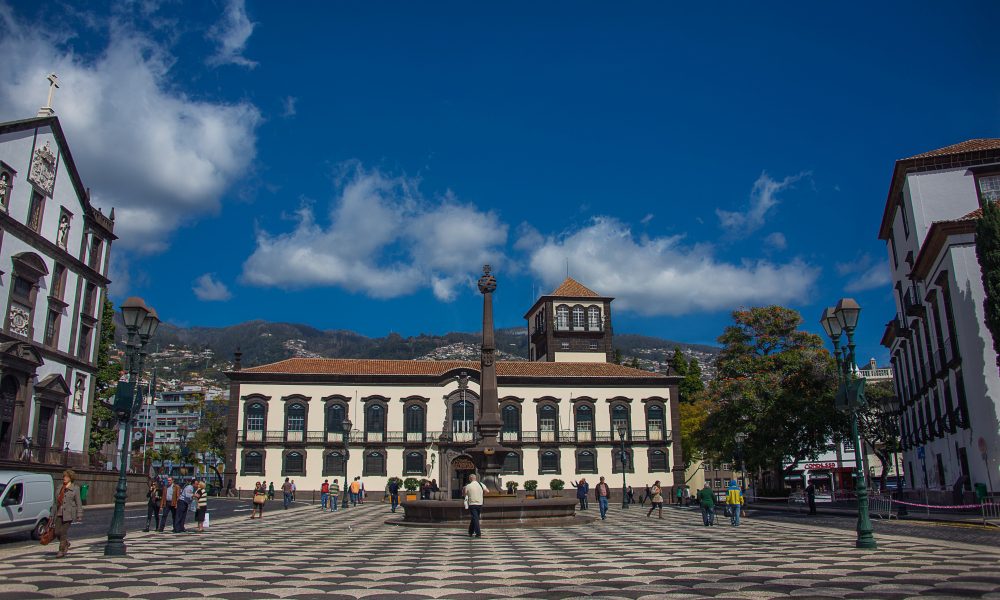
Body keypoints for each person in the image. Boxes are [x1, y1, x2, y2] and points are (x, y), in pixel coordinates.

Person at [52, 469, 84, 558]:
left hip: (69, 514)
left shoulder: (75, 488)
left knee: (63, 532)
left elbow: (79, 502)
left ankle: (61, 550)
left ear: (71, 478)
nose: (64, 478)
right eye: (64, 477)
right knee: (56, 532)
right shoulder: (60, 487)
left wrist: (79, 514)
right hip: (59, 512)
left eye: (66, 477)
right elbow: (55, 502)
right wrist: (51, 514)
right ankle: (66, 543)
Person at [463, 473, 486, 538]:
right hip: (480, 503)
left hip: (472, 504)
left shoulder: (468, 486)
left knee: (475, 518)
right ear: (475, 478)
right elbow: (487, 491)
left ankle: (478, 533)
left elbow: (465, 494)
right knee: (475, 518)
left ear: (470, 479)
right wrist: (481, 494)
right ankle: (470, 532)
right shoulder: (481, 484)